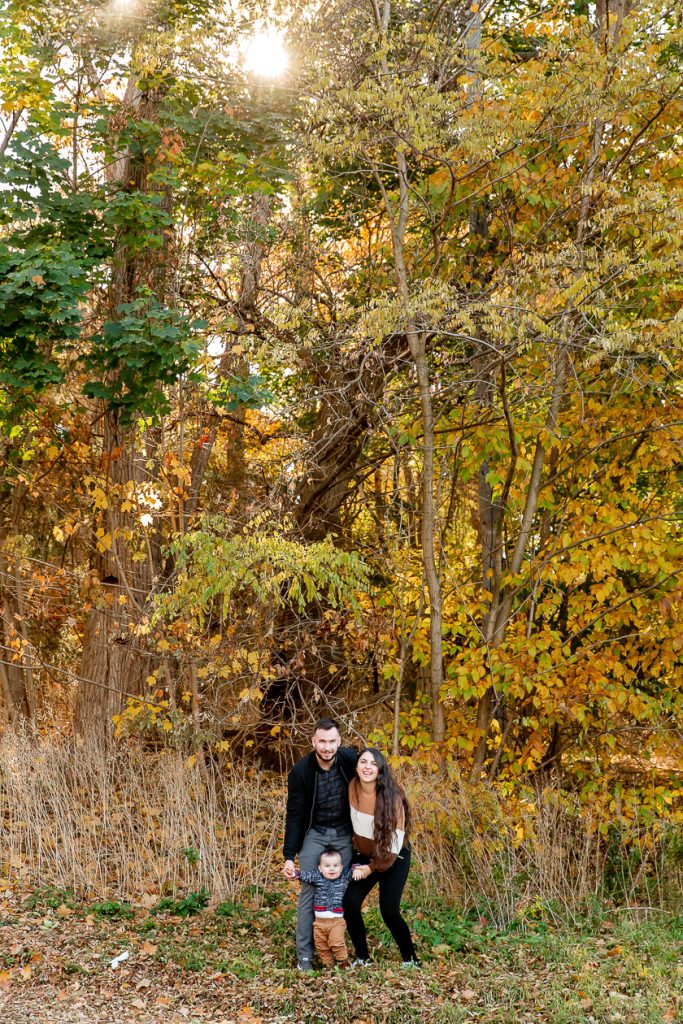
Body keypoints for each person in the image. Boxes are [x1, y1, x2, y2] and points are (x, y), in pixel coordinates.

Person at [282, 717, 357, 972]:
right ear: (313, 741)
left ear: (339, 741)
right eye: (322, 741)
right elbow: (294, 814)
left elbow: (375, 779)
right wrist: (289, 856)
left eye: (332, 741)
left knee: (344, 890)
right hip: (315, 833)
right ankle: (305, 957)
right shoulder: (301, 771)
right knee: (309, 890)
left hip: (344, 834)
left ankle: (345, 952)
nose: (327, 747)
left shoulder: (350, 760)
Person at [343, 747, 420, 966]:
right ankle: (362, 957)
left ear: (380, 769)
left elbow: (394, 843)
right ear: (356, 766)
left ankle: (410, 959)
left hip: (393, 857)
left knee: (389, 910)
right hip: (366, 856)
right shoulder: (351, 787)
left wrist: (371, 867)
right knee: (349, 902)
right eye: (363, 762)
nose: (368, 767)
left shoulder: (391, 796)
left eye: (373, 763)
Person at [294, 846, 356, 969]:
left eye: (335, 865)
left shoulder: (343, 877)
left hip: (336, 921)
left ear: (341, 867)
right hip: (319, 923)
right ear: (320, 868)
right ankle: (329, 966)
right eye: (327, 866)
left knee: (336, 942)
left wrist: (356, 868)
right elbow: (306, 875)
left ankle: (343, 962)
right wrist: (297, 873)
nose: (332, 869)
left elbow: (353, 872)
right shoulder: (317, 877)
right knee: (321, 946)